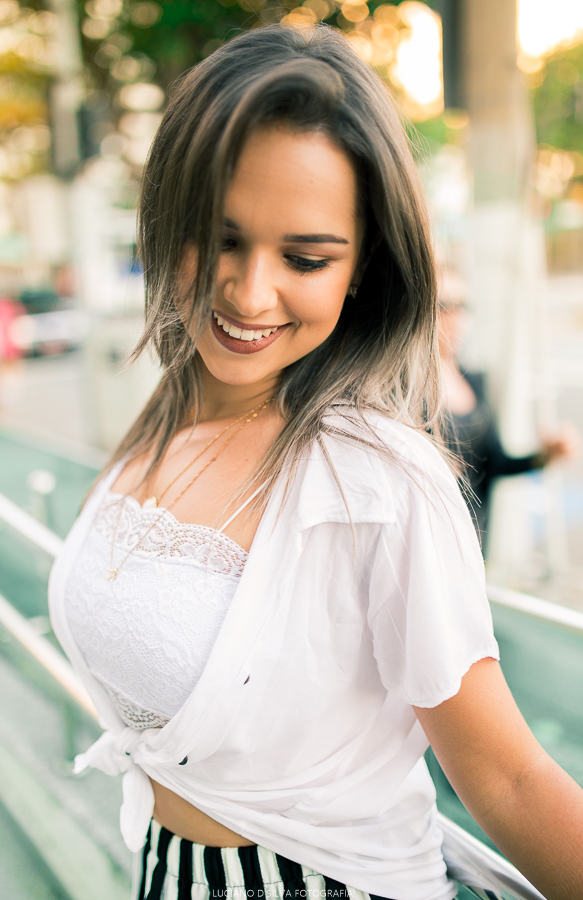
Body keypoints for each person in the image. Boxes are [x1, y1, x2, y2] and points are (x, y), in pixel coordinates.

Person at [48, 24, 583, 900]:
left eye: (304, 257)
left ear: (363, 266)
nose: (250, 293)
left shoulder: (376, 478)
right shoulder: (167, 412)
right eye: (219, 239)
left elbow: (511, 778)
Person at [438, 270, 578, 551]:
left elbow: (494, 463)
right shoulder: (402, 391)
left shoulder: (473, 379)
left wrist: (544, 456)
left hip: (474, 539)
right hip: (431, 542)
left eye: (463, 305)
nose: (456, 316)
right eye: (443, 305)